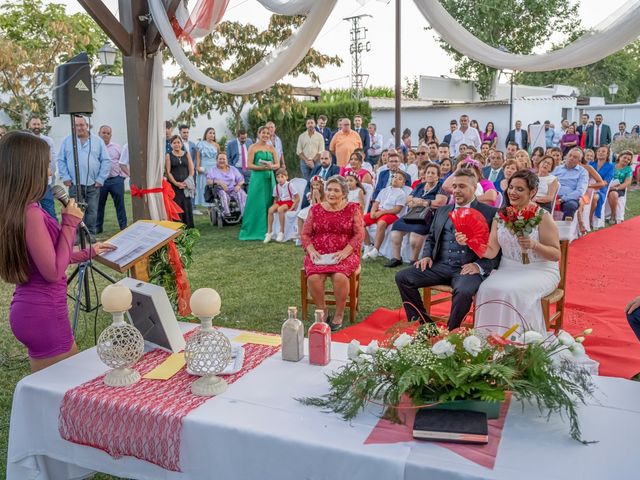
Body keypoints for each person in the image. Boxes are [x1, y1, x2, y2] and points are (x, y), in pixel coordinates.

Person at [0, 132, 115, 372]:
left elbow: (48, 258)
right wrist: (70, 223)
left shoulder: (19, 208)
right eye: (45, 166)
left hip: (30, 309)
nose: (50, 173)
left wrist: (88, 252)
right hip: (45, 313)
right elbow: (53, 271)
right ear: (28, 169)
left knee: (49, 393)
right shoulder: (30, 213)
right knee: (68, 392)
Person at [395, 169, 499, 328]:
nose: (456, 190)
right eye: (455, 186)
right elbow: (431, 237)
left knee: (463, 291)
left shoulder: (490, 213)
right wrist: (427, 255)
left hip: (467, 269)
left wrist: (479, 266)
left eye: (462, 186)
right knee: (403, 277)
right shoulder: (443, 210)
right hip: (439, 265)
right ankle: (425, 327)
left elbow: (497, 250)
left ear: (474, 187)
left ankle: (452, 333)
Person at [472, 170, 560, 336]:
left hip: (540, 269)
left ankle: (519, 342)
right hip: (508, 268)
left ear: (532, 192)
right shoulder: (500, 216)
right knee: (486, 288)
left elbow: (555, 254)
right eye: (511, 187)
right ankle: (488, 341)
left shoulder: (543, 217)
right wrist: (471, 241)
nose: (512, 192)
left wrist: (535, 245)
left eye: (520, 189)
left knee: (513, 292)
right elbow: (491, 252)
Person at [301, 175, 364, 331]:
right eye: (329, 189)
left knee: (340, 277)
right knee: (314, 277)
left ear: (344, 193)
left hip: (344, 253)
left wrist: (346, 251)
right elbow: (305, 234)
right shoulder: (315, 209)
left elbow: (359, 234)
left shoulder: (352, 208)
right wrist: (311, 250)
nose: (331, 193)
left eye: (336, 190)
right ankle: (323, 310)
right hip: (319, 253)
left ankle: (339, 314)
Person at [57, 115, 111, 240]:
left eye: (82, 125)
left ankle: (89, 234)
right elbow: (61, 160)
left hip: (93, 183)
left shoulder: (98, 141)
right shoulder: (67, 141)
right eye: (76, 125)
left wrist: (100, 179)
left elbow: (106, 161)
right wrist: (65, 176)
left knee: (92, 210)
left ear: (87, 125)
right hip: (74, 183)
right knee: (75, 210)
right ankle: (76, 235)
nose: (79, 128)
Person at [386, 162, 448, 267]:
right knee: (396, 229)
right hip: (413, 214)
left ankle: (413, 260)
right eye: (428, 172)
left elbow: (439, 203)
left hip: (429, 217)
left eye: (433, 173)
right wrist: (421, 201)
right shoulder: (420, 185)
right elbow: (408, 200)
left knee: (415, 235)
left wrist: (422, 202)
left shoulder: (441, 187)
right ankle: (396, 258)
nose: (430, 175)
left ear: (438, 176)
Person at [239, 126, 280, 241]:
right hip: (258, 178)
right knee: (256, 202)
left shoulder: (271, 148)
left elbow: (278, 164)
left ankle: (270, 230)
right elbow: (249, 165)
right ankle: (254, 229)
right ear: (258, 134)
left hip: (269, 178)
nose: (265, 135)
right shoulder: (253, 147)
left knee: (269, 202)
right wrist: (262, 167)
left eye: (268, 133)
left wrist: (272, 167)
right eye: (263, 133)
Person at [362, 171, 408, 260]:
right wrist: (372, 212)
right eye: (394, 177)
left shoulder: (401, 194)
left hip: (391, 214)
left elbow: (397, 210)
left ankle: (376, 249)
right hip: (379, 211)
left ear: (403, 183)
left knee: (382, 223)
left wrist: (382, 213)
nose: (396, 179)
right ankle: (368, 245)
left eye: (399, 179)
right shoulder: (384, 190)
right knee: (360, 222)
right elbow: (376, 203)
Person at [96, 124, 127, 232]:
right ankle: (97, 228)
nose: (105, 135)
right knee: (99, 205)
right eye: (103, 133)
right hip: (100, 182)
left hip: (115, 180)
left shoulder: (117, 147)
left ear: (111, 135)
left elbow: (124, 161)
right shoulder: (95, 147)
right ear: (98, 134)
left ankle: (123, 227)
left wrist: (122, 177)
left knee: (120, 205)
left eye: (108, 133)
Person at [27, 117, 57, 221]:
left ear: (42, 126)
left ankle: (55, 234)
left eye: (38, 124)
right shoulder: (25, 141)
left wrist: (51, 177)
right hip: (29, 183)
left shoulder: (48, 141)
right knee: (30, 212)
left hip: (44, 183)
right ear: (29, 126)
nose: (36, 126)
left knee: (49, 210)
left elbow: (52, 161)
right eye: (34, 124)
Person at [165, 135, 195, 228]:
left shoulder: (187, 154)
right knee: (177, 205)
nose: (177, 144)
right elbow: (168, 172)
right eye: (174, 143)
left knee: (187, 205)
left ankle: (189, 227)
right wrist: (176, 183)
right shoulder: (168, 156)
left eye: (178, 142)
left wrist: (187, 182)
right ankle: (178, 228)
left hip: (186, 185)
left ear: (181, 144)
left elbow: (191, 170)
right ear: (171, 145)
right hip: (175, 187)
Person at [553, 147, 589, 220]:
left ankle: (565, 229)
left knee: (571, 206)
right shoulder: (556, 169)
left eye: (575, 157)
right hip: (552, 195)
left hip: (569, 198)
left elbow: (580, 191)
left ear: (579, 161)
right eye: (570, 155)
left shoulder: (583, 172)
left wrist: (562, 199)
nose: (571, 158)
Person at [265, 168, 300, 243]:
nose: (280, 179)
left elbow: (297, 198)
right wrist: (274, 206)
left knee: (280, 209)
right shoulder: (276, 187)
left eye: (282, 177)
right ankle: (269, 232)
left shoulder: (290, 185)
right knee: (270, 210)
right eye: (278, 177)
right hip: (281, 202)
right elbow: (276, 198)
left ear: (286, 177)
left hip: (289, 202)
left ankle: (281, 232)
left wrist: (292, 208)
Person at [194, 127, 220, 208]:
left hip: (214, 168)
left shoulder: (217, 145)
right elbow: (198, 159)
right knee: (206, 189)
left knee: (215, 188)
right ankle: (207, 207)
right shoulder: (200, 144)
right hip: (204, 168)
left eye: (213, 133)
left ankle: (215, 211)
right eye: (210, 133)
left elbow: (218, 159)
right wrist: (199, 168)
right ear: (206, 134)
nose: (212, 135)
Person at [589, 145, 615, 222]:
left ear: (607, 154)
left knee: (594, 198)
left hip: (601, 189)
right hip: (588, 186)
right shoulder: (591, 163)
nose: (600, 153)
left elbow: (605, 182)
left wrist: (590, 186)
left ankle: (589, 218)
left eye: (603, 151)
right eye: (599, 151)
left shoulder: (610, 166)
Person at [607, 150, 634, 224]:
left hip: (619, 188)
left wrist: (616, 188)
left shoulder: (628, 169)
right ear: (619, 157)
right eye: (624, 157)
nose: (626, 160)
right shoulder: (611, 165)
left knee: (613, 194)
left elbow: (627, 182)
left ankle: (613, 215)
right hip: (606, 185)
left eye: (629, 159)